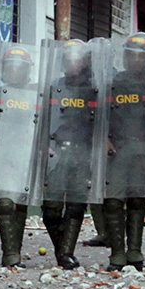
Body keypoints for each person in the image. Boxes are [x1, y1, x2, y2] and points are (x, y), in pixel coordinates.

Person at [41, 40, 97, 270]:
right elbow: (43, 118)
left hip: (84, 151)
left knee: (75, 205)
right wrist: (43, 143)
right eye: (68, 59)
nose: (72, 63)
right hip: (56, 150)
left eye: (76, 59)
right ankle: (61, 249)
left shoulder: (95, 88)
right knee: (51, 208)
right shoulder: (54, 87)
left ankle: (66, 253)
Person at [103, 33, 145, 271]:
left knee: (137, 200)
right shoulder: (113, 83)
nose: (136, 60)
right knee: (113, 200)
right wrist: (102, 137)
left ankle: (134, 251)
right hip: (117, 149)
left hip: (143, 150)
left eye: (141, 56)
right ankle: (117, 253)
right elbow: (100, 114)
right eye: (131, 55)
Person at [0, 47, 39, 267]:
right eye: (10, 68)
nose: (14, 73)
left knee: (20, 205)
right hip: (2, 154)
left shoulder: (37, 95)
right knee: (6, 204)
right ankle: (10, 255)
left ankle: (15, 250)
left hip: (26, 154)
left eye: (19, 69)